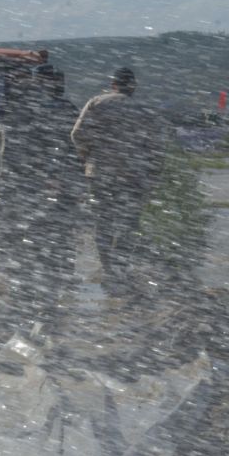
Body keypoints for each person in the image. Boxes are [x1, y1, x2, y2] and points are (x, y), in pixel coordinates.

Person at [0, 62, 83, 328]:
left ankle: (26, 301)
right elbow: (72, 147)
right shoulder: (63, 110)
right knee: (52, 245)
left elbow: (3, 149)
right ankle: (45, 301)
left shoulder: (17, 111)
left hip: (25, 188)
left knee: (25, 245)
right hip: (47, 187)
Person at [71, 66, 167, 298]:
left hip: (102, 173)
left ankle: (108, 270)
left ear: (113, 84)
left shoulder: (97, 103)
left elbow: (77, 134)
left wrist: (88, 157)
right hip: (135, 176)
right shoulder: (145, 109)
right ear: (133, 86)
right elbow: (157, 147)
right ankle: (121, 270)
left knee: (103, 222)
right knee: (129, 224)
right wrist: (153, 173)